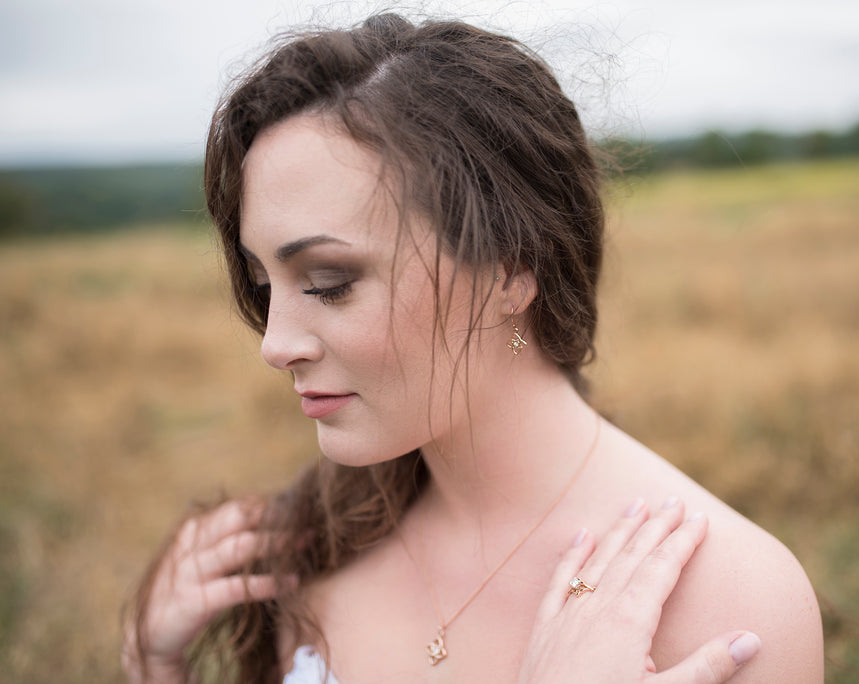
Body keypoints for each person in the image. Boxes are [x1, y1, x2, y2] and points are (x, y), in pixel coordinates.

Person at [122, 13, 823, 683]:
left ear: (512, 268)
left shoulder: (731, 604)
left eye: (330, 282)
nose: (274, 344)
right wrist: (158, 670)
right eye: (261, 282)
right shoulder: (314, 543)